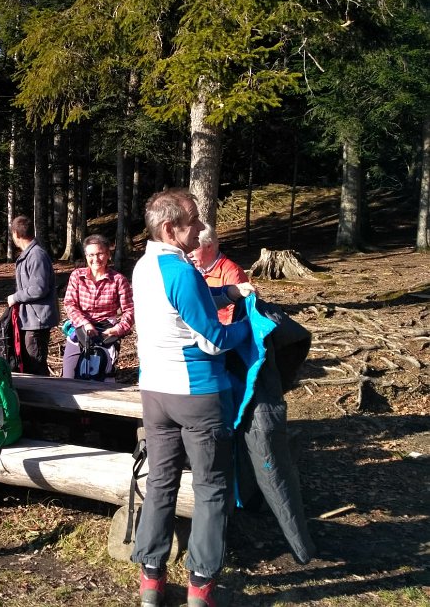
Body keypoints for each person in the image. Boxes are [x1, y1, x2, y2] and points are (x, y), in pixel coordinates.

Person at [132, 189, 255, 607]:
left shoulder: (145, 267)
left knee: (160, 482)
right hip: (197, 393)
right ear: (171, 229)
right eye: (195, 221)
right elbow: (213, 339)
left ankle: (151, 581)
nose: (202, 228)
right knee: (212, 487)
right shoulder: (181, 272)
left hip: (154, 392)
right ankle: (201, 586)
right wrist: (250, 330)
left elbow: (183, 307)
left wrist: (230, 294)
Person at [61, 234, 134, 379]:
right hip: (80, 329)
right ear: (86, 256)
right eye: (91, 255)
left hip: (106, 332)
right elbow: (70, 304)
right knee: (69, 374)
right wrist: (85, 323)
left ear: (108, 255)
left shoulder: (118, 280)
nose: (96, 259)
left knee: (102, 376)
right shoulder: (77, 276)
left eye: (100, 254)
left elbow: (130, 310)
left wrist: (119, 329)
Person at [7, 216, 59, 375]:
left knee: (35, 363)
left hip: (37, 321)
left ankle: (44, 398)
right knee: (28, 361)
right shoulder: (28, 255)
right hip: (30, 319)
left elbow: (39, 288)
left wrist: (15, 297)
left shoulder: (36, 255)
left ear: (15, 234)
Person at [189, 227, 249, 324]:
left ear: (209, 247)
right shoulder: (192, 271)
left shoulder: (232, 273)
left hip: (219, 332)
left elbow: (237, 315)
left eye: (194, 249)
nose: (189, 254)